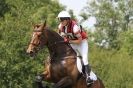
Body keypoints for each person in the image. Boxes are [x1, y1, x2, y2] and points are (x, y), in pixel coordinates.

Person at [57, 10, 93, 85]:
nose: (60, 22)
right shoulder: (61, 26)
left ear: (67, 20)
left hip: (82, 42)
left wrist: (69, 41)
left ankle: (88, 77)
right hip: (72, 42)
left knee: (84, 58)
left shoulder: (75, 27)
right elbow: (60, 37)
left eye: (62, 20)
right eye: (59, 20)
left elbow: (79, 41)